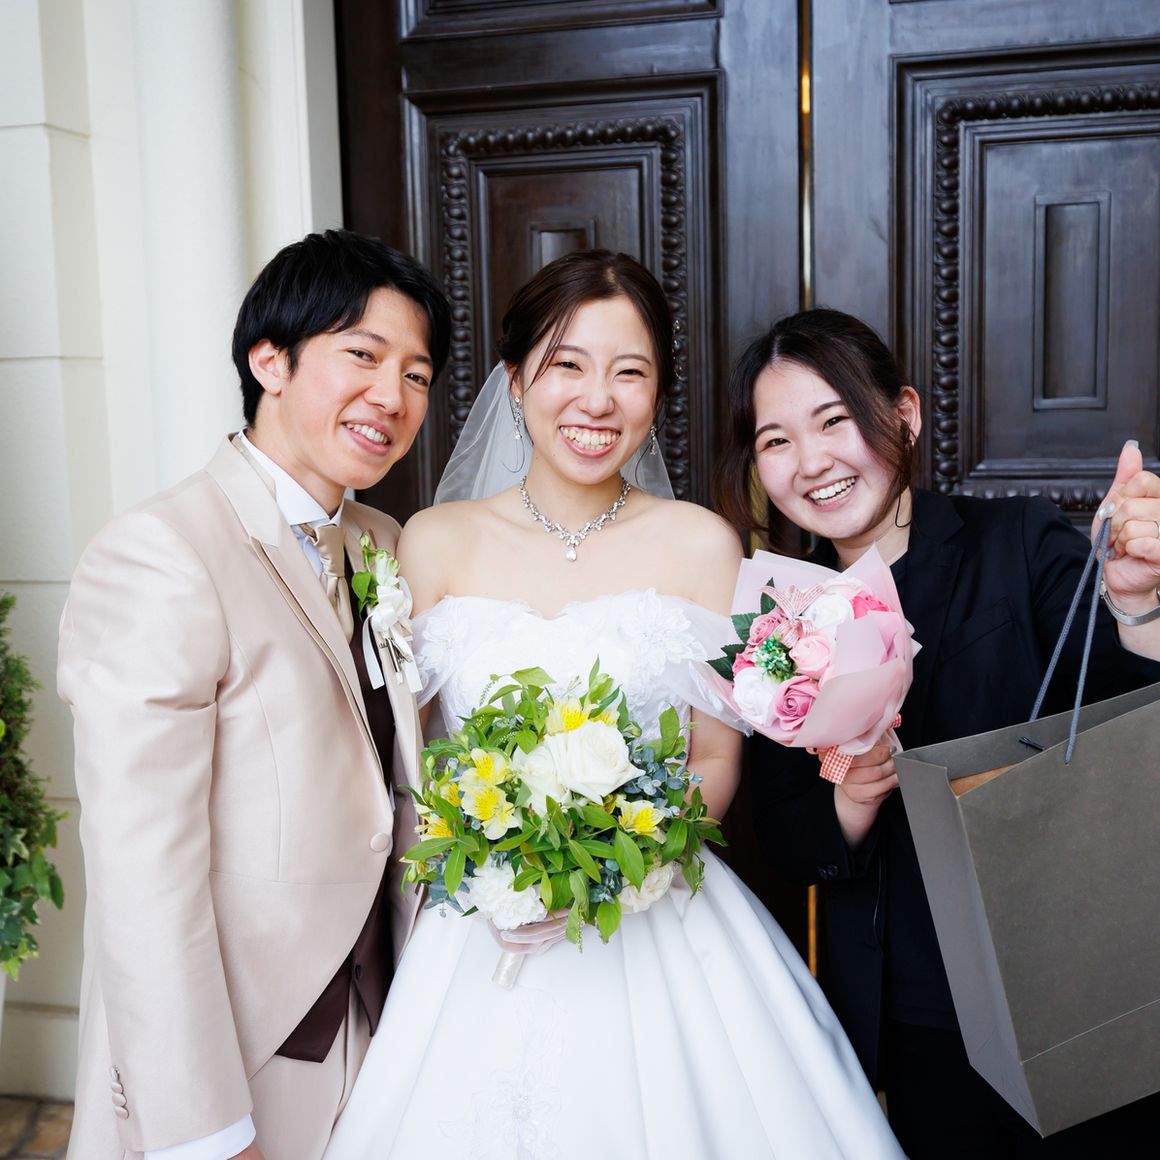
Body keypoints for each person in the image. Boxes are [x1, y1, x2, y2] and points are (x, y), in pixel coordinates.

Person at [323, 252, 904, 1159]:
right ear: (517, 381)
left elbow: (716, 758)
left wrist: (614, 862)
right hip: (480, 932)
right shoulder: (431, 544)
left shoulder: (702, 544)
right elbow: (410, 761)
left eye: (629, 372)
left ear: (656, 393)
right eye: (568, 365)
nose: (597, 400)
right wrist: (501, 862)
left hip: (658, 914)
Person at [714, 306, 1160, 1159]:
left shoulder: (1016, 542)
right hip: (910, 1014)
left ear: (905, 414)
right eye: (776, 440)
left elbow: (1125, 717)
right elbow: (783, 838)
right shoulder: (779, 622)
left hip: (1070, 978)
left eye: (835, 420)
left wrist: (1137, 606)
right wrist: (848, 801)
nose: (811, 462)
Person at [58, 229, 450, 1160]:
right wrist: (202, 1128)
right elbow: (142, 873)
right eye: (363, 356)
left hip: (384, 1027)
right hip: (239, 1051)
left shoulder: (387, 544)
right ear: (269, 361)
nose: (392, 398)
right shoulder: (163, 552)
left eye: (417, 375)